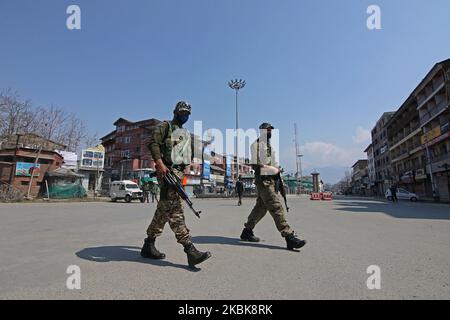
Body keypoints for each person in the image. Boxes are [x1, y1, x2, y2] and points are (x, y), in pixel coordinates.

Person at [140, 101, 211, 268]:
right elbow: (153, 144)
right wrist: (159, 163)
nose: (184, 115)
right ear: (175, 112)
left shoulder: (185, 133)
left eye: (187, 113)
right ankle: (190, 250)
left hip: (178, 174)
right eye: (182, 112)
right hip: (167, 172)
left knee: (164, 210)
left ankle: (148, 245)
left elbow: (189, 152)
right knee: (175, 209)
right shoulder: (165, 126)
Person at [240, 122, 307, 251]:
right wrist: (271, 169)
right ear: (261, 131)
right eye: (267, 130)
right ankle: (289, 236)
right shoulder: (256, 145)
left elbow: (274, 165)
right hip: (264, 182)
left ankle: (247, 231)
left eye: (271, 130)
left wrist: (277, 172)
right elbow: (256, 165)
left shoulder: (270, 147)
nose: (269, 132)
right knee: (276, 207)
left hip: (272, 181)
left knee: (260, 208)